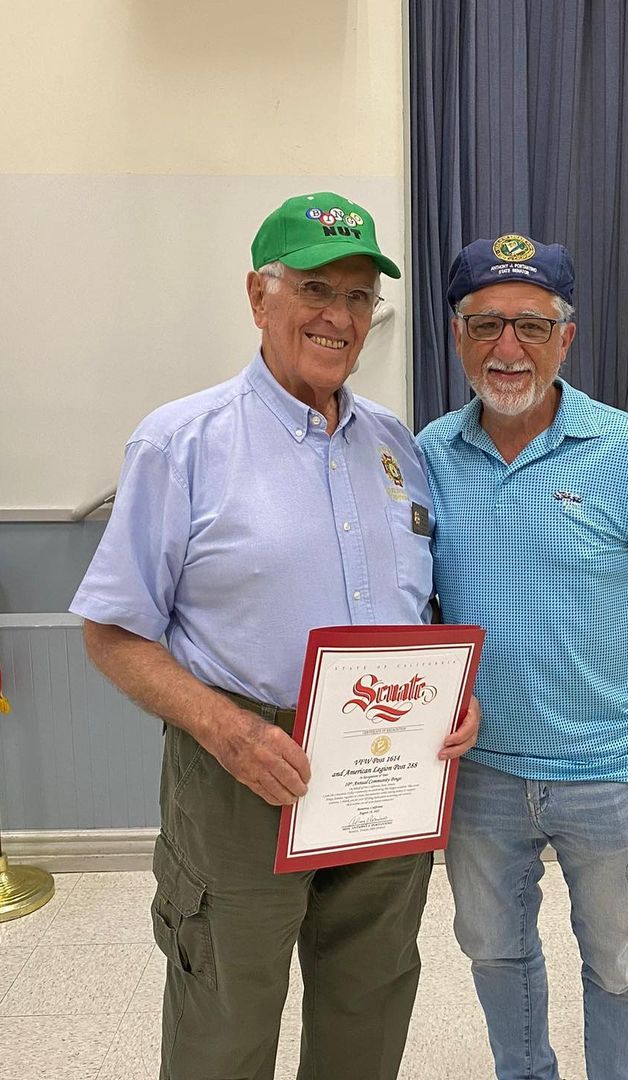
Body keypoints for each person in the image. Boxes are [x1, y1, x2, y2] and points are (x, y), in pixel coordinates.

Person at [70, 192, 479, 1080]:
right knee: (225, 1023)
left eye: (360, 296)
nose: (339, 316)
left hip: (387, 769)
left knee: (369, 1008)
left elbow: (426, 605)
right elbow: (111, 632)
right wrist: (226, 730)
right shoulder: (181, 443)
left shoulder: (396, 446)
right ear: (260, 297)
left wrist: (453, 698)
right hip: (240, 773)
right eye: (316, 289)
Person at [416, 234, 628, 1080]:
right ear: (458, 334)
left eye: (532, 326)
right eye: (485, 324)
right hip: (479, 773)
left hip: (611, 770)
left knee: (617, 964)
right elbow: (414, 607)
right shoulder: (427, 456)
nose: (507, 348)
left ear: (566, 337)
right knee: (492, 951)